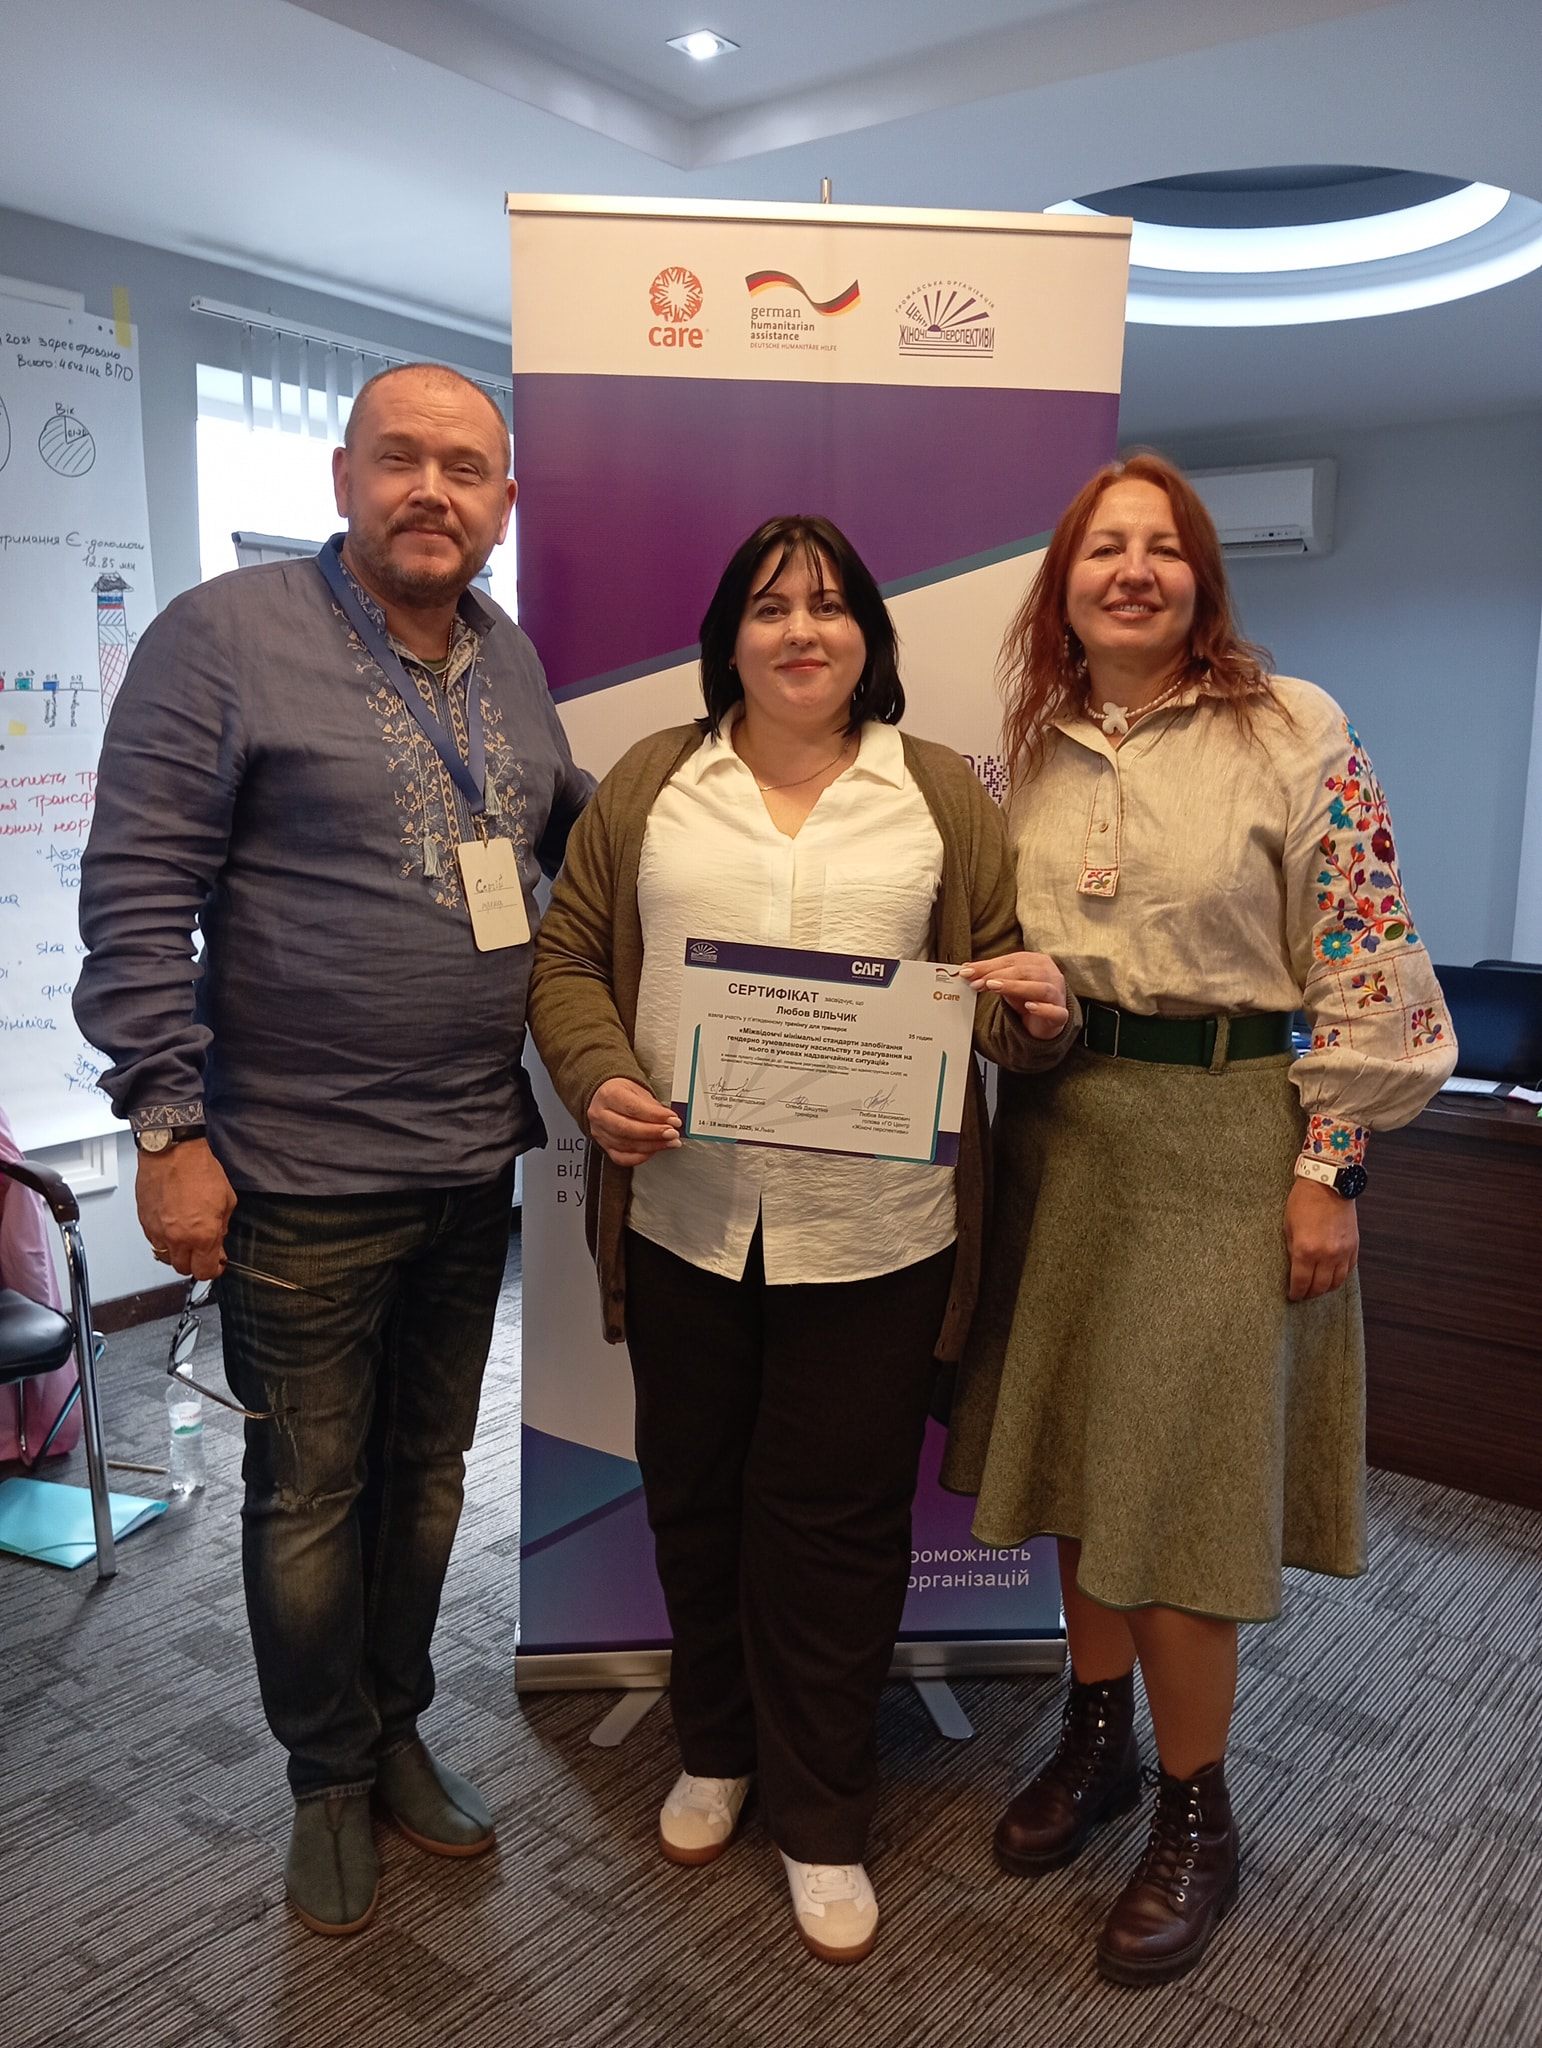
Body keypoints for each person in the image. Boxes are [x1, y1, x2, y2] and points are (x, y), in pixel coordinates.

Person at [73, 363, 594, 1937]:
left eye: (466, 468)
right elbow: (135, 896)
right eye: (401, 458)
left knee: (426, 1481)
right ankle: (325, 1780)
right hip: (294, 1175)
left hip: (466, 1162)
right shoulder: (221, 638)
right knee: (308, 1495)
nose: (432, 490)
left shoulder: (509, 658)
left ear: (503, 503)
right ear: (344, 476)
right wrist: (168, 1129)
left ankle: (397, 1730)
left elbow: (564, 839)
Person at [527, 514, 1076, 1963]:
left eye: (828, 606)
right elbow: (568, 956)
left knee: (834, 1530)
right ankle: (716, 1751)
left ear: (867, 639)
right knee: (695, 1499)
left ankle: (823, 1812)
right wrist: (598, 1076)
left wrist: (1038, 1012)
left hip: (875, 1238)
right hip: (684, 1224)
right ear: (729, 636)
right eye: (769, 607)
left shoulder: (936, 793)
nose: (799, 630)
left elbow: (1004, 1003)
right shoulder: (654, 782)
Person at [941, 454, 1456, 1984]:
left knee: (1179, 1497)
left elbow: (1367, 958)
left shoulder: (1294, 729)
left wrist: (1328, 1166)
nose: (1132, 570)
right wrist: (1015, 1014)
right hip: (1063, 1140)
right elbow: (1000, 968)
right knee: (1082, 1465)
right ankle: (1096, 1738)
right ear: (1063, 583)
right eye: (1102, 547)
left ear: (1199, 578)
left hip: (1227, 1144)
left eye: (1161, 547)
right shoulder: (1019, 755)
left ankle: (1194, 1810)